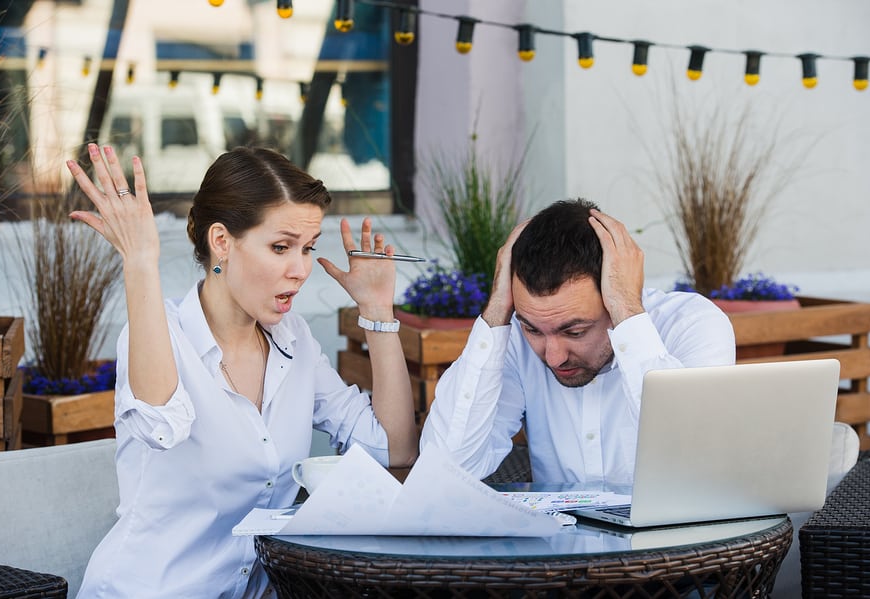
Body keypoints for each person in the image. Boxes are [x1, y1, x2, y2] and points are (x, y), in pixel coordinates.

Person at [66, 143, 418, 598]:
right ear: (221, 242)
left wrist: (376, 312)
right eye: (280, 247)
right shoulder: (160, 335)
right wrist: (140, 262)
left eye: (308, 248)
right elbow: (159, 428)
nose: (300, 270)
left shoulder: (294, 341)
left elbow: (393, 450)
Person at [420, 198, 735, 485]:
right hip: (559, 545)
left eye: (575, 331)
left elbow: (695, 465)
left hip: (678, 547)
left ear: (616, 293)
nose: (554, 357)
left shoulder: (692, 325)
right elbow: (446, 466)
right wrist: (495, 315)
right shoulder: (515, 337)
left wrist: (627, 311)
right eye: (534, 330)